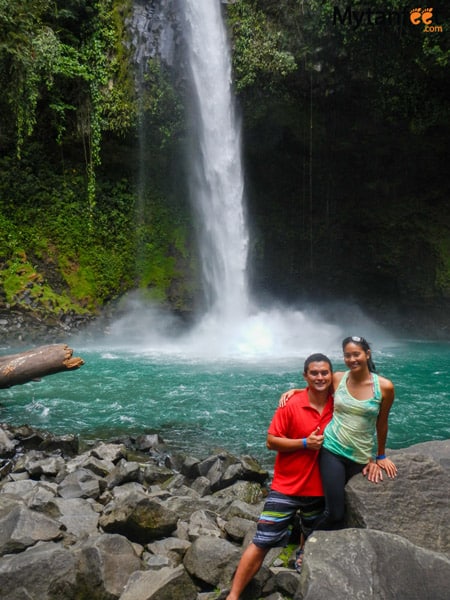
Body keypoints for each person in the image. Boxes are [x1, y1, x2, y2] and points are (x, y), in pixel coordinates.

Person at [226, 353, 334, 600]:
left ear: (331, 375)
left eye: (324, 373)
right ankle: (233, 595)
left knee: (314, 535)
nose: (320, 377)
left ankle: (302, 560)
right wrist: (305, 443)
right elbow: (271, 442)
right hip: (287, 486)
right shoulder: (291, 404)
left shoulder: (339, 402)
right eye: (314, 373)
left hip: (320, 488)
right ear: (305, 375)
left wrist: (377, 457)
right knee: (262, 540)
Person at [280, 336, 398, 531]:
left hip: (360, 455)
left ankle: (305, 535)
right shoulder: (338, 378)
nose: (352, 359)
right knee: (335, 512)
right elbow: (317, 389)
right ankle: (306, 544)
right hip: (332, 450)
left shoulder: (384, 387)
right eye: (347, 355)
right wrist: (296, 391)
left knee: (341, 510)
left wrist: (380, 456)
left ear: (367, 354)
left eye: (356, 354)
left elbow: (382, 422)